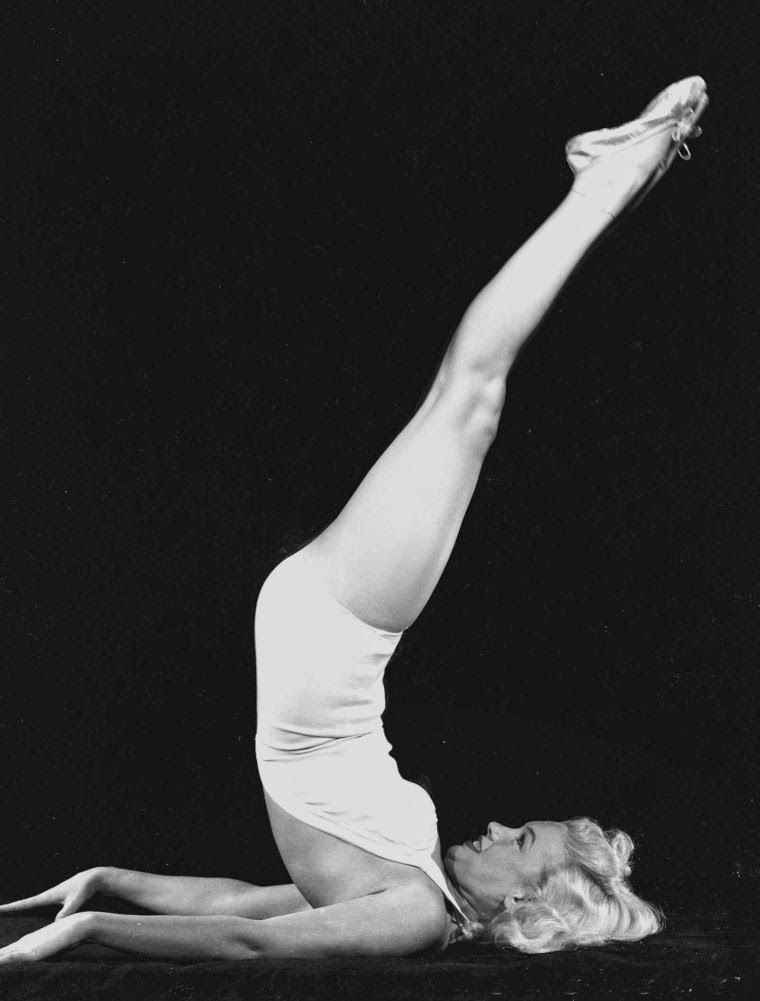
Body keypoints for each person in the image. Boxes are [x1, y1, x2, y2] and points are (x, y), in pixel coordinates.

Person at [0, 75, 708, 963]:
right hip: (326, 638)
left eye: (519, 840)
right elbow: (251, 902)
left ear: (532, 899)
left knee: (471, 398)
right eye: (518, 826)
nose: (494, 823)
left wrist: (85, 933)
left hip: (333, 632)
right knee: (468, 401)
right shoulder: (422, 888)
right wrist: (107, 880)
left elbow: (248, 942)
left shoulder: (413, 914)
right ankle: (619, 182)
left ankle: (606, 181)